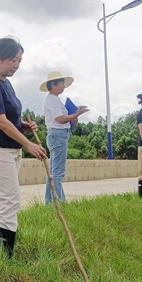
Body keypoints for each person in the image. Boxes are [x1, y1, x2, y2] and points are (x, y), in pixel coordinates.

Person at [0, 37, 47, 257]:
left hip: (9, 149)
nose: (17, 65)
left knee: (1, 198)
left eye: (20, 61)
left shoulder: (5, 83)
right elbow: (0, 122)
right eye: (14, 60)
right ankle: (5, 255)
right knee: (11, 199)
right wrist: (29, 144)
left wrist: (23, 126)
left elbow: (9, 119)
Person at [40, 71, 86, 204]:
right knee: (58, 173)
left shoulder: (55, 100)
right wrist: (75, 114)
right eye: (61, 84)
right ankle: (60, 202)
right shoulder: (52, 100)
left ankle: (51, 202)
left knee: (54, 173)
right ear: (53, 85)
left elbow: (63, 119)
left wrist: (73, 119)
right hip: (58, 136)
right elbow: (59, 119)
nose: (63, 86)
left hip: (59, 135)